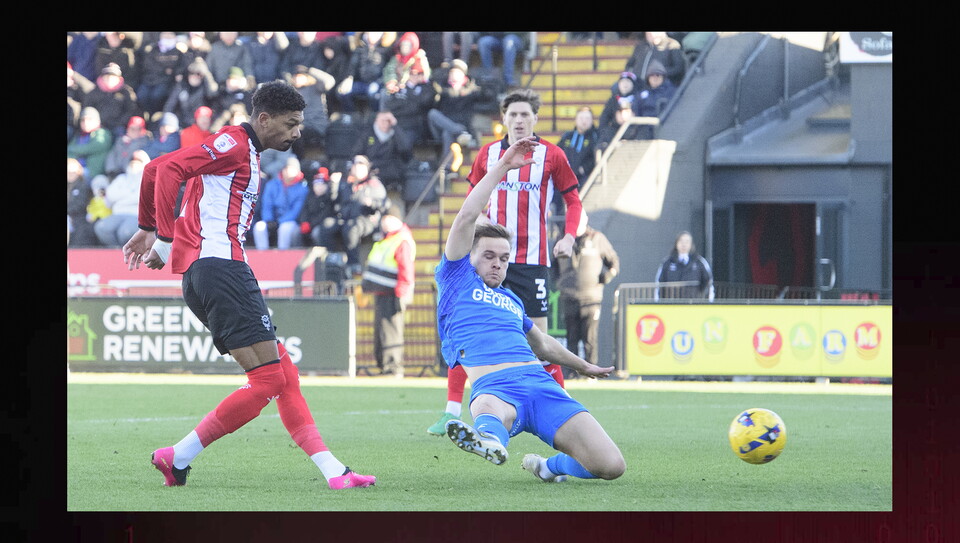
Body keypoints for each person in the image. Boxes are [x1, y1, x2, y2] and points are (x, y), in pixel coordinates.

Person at [121, 80, 375, 490]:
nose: (297, 133)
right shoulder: (234, 143)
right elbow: (165, 170)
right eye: (291, 124)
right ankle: (177, 455)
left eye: (300, 124)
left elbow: (154, 169)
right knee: (269, 381)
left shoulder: (244, 151)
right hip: (222, 269)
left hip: (212, 272)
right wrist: (163, 239)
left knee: (282, 373)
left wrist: (148, 225)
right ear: (264, 119)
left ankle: (335, 472)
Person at [436, 135, 625, 482]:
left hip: (540, 385)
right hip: (495, 385)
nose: (497, 264)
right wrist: (504, 167)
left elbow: (542, 344)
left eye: (504, 258)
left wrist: (583, 365)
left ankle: (546, 467)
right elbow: (466, 216)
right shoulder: (456, 278)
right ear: (470, 256)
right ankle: (490, 440)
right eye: (489, 256)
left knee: (611, 466)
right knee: (488, 409)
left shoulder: (511, 301)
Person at [427, 88, 583, 435]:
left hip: (531, 260)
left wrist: (569, 236)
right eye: (512, 114)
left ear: (535, 119)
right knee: (469, 329)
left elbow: (573, 199)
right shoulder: (489, 154)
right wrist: (477, 229)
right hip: (488, 259)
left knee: (538, 339)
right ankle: (452, 412)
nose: (518, 120)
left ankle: (561, 407)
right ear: (504, 119)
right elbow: (472, 200)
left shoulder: (552, 155)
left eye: (525, 114)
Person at [554, 211, 619, 368]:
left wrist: (606, 277)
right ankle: (571, 372)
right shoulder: (562, 240)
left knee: (590, 337)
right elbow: (553, 263)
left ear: (585, 220)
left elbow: (614, 262)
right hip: (568, 295)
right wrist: (559, 282)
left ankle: (592, 371)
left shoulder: (597, 238)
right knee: (571, 337)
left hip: (591, 297)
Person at [360, 211, 416, 378]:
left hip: (394, 293)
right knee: (383, 331)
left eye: (388, 219)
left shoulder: (401, 240)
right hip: (383, 292)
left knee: (391, 331)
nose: (385, 223)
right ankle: (385, 366)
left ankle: (393, 367)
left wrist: (402, 293)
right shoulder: (388, 238)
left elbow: (406, 268)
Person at [316, 155, 388, 276]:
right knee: (327, 225)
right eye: (355, 166)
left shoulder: (374, 184)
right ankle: (332, 258)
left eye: (360, 166)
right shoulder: (346, 184)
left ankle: (353, 263)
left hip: (366, 219)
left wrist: (372, 203)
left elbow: (384, 204)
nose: (356, 168)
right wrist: (334, 184)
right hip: (345, 218)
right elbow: (332, 199)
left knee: (351, 228)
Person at [427, 58, 482, 172]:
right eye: (451, 72)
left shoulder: (471, 89)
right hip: (445, 127)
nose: (453, 75)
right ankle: (458, 130)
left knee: (448, 133)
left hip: (461, 127)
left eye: (457, 72)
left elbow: (486, 97)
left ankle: (447, 169)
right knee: (432, 114)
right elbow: (429, 102)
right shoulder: (441, 89)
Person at [94, 150, 150, 247]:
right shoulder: (121, 178)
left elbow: (142, 198)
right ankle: (115, 251)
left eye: (138, 162)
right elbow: (110, 195)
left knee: (125, 232)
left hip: (137, 215)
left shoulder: (149, 179)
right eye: (132, 162)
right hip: (118, 213)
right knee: (101, 227)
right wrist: (130, 194)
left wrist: (121, 198)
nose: (134, 164)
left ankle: (127, 252)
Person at [253, 156, 310, 250]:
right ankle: (262, 255)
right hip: (272, 221)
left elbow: (296, 210)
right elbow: (267, 205)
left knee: (285, 228)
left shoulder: (302, 189)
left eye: (291, 169)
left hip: (291, 222)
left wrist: (279, 222)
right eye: (286, 168)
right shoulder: (272, 184)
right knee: (259, 227)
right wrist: (269, 220)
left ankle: (282, 255)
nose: (288, 171)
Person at [352, 110, 414, 192]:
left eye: (388, 121)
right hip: (370, 168)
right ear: (376, 121)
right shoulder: (367, 134)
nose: (385, 123)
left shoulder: (396, 134)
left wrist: (395, 125)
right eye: (382, 121)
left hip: (391, 169)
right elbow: (356, 153)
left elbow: (406, 148)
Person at [380, 59, 435, 148]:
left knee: (405, 143)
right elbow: (391, 105)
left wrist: (407, 100)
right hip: (397, 123)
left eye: (419, 73)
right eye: (412, 73)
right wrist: (407, 100)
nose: (415, 76)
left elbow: (423, 104)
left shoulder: (426, 88)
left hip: (414, 126)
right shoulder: (400, 88)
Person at [338, 31, 391, 116]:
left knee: (373, 92)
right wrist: (349, 78)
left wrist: (379, 82)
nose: (373, 35)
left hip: (378, 83)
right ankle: (352, 116)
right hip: (361, 83)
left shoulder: (386, 50)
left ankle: (375, 117)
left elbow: (388, 69)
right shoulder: (359, 47)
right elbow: (352, 65)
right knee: (342, 91)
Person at [82, 62, 140, 139]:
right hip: (98, 126)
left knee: (120, 134)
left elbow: (131, 109)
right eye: (107, 76)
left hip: (118, 126)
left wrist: (120, 122)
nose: (109, 79)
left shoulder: (127, 92)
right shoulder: (94, 92)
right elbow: (88, 109)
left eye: (112, 77)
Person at [136, 31, 187, 118]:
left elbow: (179, 68)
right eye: (164, 34)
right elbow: (148, 65)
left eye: (170, 35)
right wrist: (165, 69)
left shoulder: (178, 53)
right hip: (149, 79)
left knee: (157, 95)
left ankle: (154, 115)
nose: (167, 37)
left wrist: (168, 70)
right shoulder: (153, 49)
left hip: (165, 82)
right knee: (141, 94)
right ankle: (145, 114)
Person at [654, 230, 714, 300]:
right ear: (676, 244)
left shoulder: (699, 262)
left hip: (692, 305)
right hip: (671, 305)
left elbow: (708, 282)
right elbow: (659, 284)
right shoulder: (667, 262)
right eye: (681, 241)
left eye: (687, 242)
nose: (684, 244)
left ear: (691, 244)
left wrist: (709, 302)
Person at [289, 65, 334, 156]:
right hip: (300, 125)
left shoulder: (316, 87)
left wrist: (311, 70)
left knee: (296, 134)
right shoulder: (292, 92)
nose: (297, 79)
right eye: (295, 77)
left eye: (300, 77)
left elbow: (330, 81)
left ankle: (299, 160)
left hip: (316, 126)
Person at [162, 58, 219, 130]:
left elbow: (213, 92)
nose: (195, 76)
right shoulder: (181, 86)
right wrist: (168, 121)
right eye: (192, 73)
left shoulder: (205, 88)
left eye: (198, 74)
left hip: (199, 125)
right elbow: (169, 105)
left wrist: (206, 72)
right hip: (181, 123)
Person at [298, 166, 347, 246]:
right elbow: (304, 211)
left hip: (320, 225)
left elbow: (325, 214)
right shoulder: (310, 196)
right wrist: (304, 222)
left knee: (316, 233)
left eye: (322, 185)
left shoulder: (328, 198)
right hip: (310, 223)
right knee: (296, 232)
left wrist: (311, 225)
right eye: (317, 185)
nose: (319, 187)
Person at [556, 106, 601, 189]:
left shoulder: (595, 137)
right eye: (581, 118)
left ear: (592, 121)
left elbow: (595, 158)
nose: (584, 121)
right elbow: (556, 153)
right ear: (576, 120)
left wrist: (582, 170)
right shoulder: (567, 136)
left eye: (587, 119)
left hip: (584, 178)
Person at [634, 60, 677, 139]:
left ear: (663, 77)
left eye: (658, 75)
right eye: (652, 75)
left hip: (664, 129)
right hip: (644, 130)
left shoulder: (672, 92)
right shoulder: (642, 94)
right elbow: (636, 111)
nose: (655, 78)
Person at [68, 106, 113, 181]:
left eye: (89, 119)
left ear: (97, 121)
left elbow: (96, 146)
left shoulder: (103, 133)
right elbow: (69, 151)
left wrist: (76, 150)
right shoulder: (79, 135)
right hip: (75, 169)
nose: (85, 123)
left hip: (92, 173)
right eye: (83, 120)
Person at [598, 71, 640, 138]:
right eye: (622, 82)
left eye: (628, 81)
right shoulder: (613, 100)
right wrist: (616, 121)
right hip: (615, 133)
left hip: (634, 133)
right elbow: (604, 118)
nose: (625, 84)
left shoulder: (639, 99)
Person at [67, 157, 97, 247]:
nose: (70, 174)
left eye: (72, 172)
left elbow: (81, 204)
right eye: (68, 172)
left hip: (80, 217)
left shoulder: (83, 185)